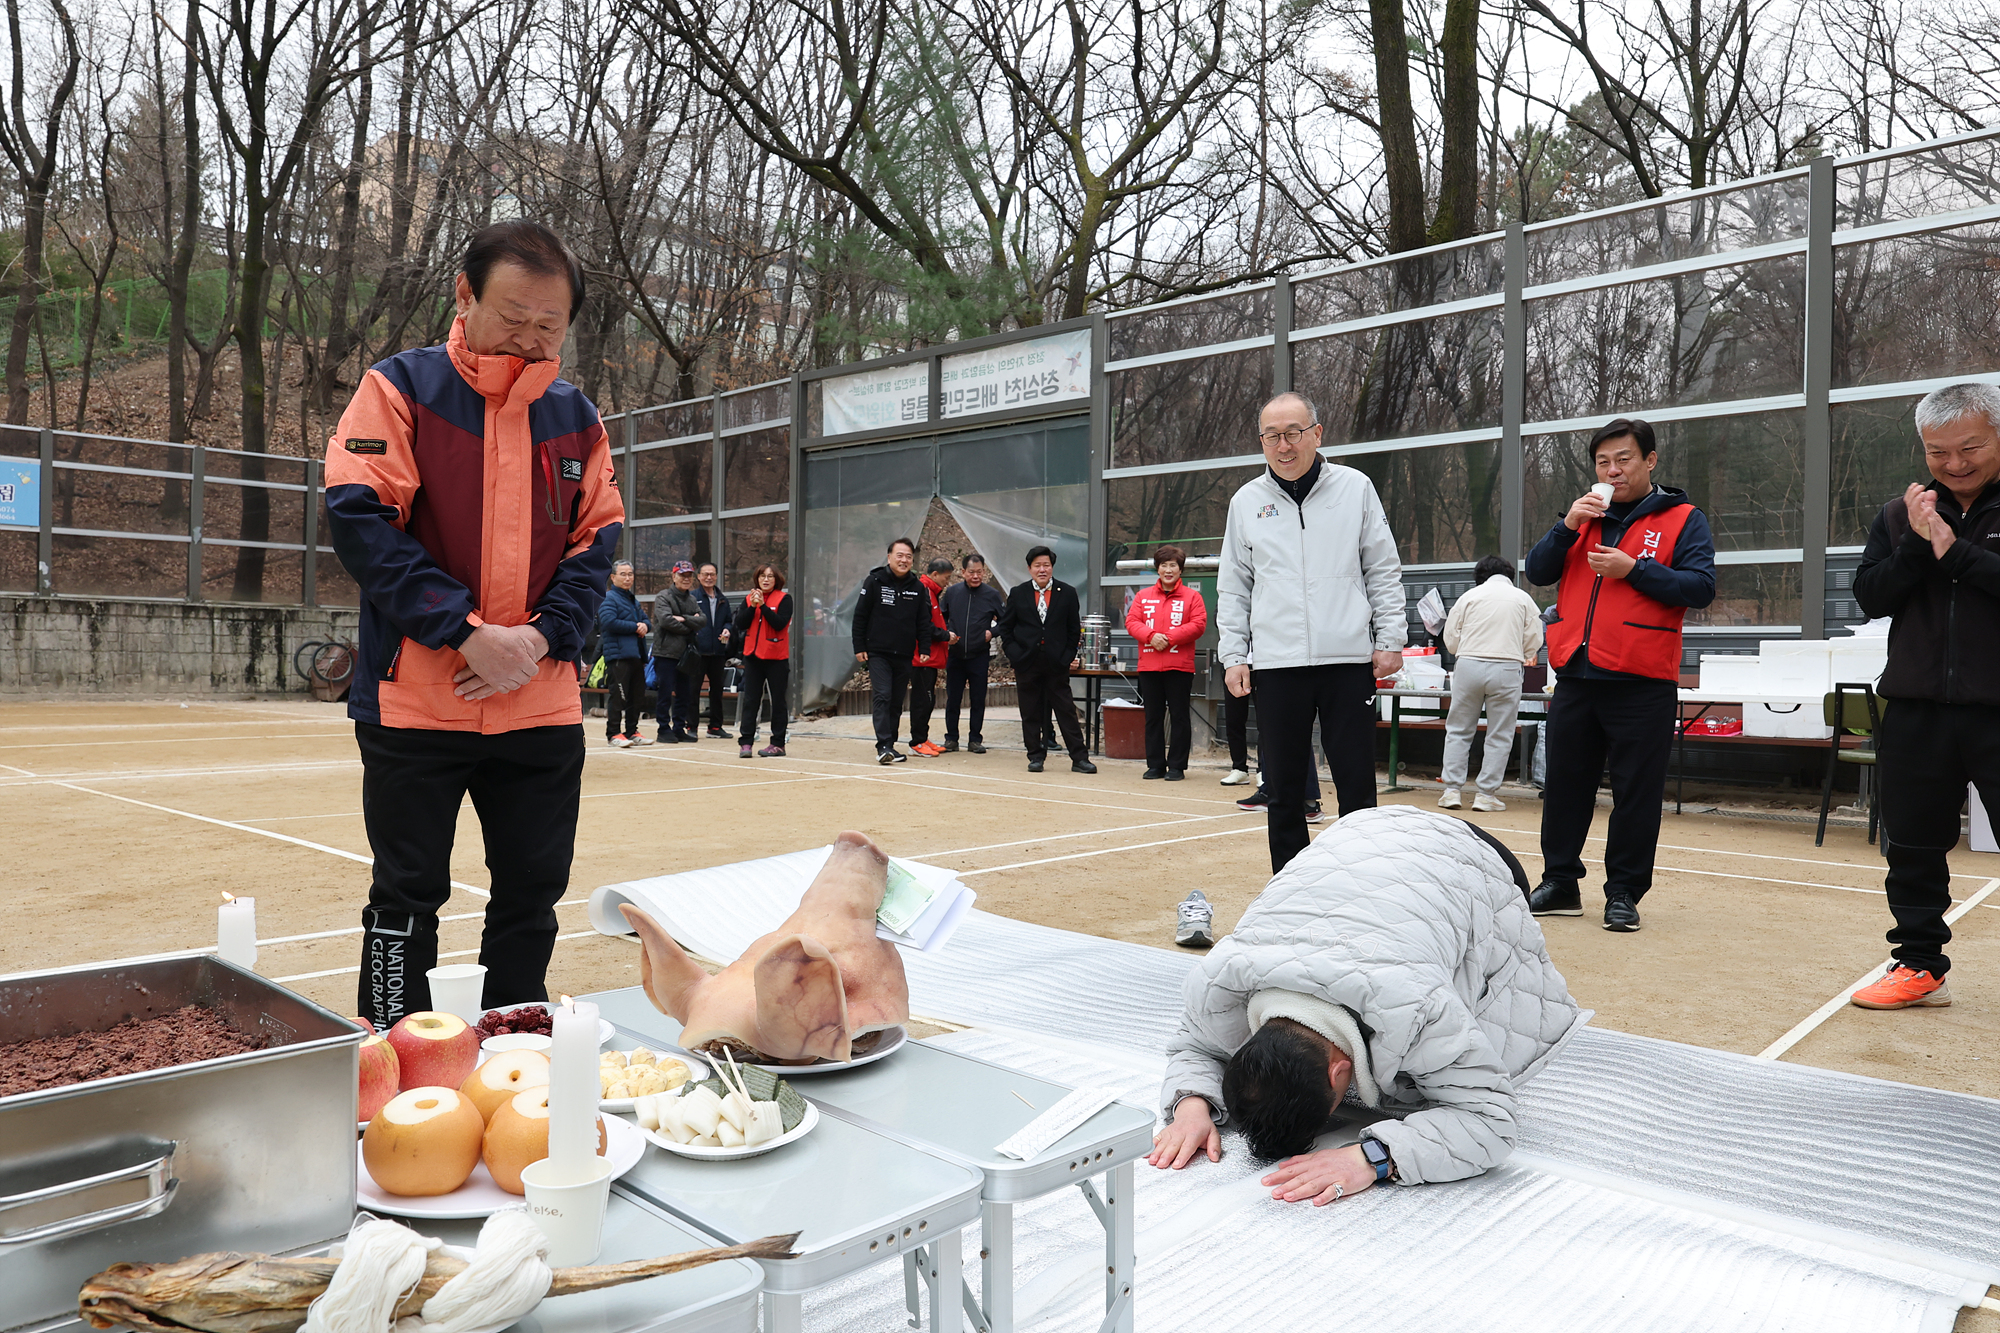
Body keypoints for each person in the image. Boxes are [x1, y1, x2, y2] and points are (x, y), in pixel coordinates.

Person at [324, 220, 622, 1028]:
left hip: (539, 704)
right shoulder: (399, 390)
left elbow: (597, 543)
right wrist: (465, 631)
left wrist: (538, 637)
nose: (530, 337)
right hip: (417, 703)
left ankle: (512, 1048)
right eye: (513, 316)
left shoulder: (577, 418)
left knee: (532, 893)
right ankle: (391, 1050)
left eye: (549, 324)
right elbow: (361, 520)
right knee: (406, 893)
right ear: (464, 293)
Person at [1147, 806, 1582, 1200]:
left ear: (1339, 1073)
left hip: (1478, 856)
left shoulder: (1416, 1007)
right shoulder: (1220, 982)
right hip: (1359, 826)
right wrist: (1191, 1106)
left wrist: (1371, 1159)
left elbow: (1490, 1121)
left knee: (1489, 998)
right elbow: (1196, 1045)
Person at [1525, 418, 1715, 933]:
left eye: (1624, 459)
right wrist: (1566, 525)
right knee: (1564, 786)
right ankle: (1560, 882)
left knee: (1636, 793)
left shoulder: (1683, 518)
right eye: (1603, 462)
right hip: (1576, 674)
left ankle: (1624, 893)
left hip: (1642, 680)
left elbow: (1700, 588)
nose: (1613, 470)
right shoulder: (1584, 516)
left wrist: (1635, 570)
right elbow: (1537, 571)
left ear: (1650, 461)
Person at [1846, 382, 2000, 1010]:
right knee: (1911, 845)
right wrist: (1915, 540)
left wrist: (1954, 553)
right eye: (1938, 452)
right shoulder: (1898, 513)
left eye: (1971, 447)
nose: (1954, 463)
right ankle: (1918, 964)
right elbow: (1871, 596)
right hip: (1915, 706)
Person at [1218, 392, 1405, 873]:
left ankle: (1363, 880)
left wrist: (1390, 639)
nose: (1283, 445)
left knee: (1356, 784)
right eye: (1272, 436)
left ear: (1317, 434)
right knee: (1282, 789)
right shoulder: (1246, 502)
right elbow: (1234, 587)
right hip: (1276, 664)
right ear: (1261, 441)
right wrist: (1234, 655)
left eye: (1293, 433)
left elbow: (1382, 568)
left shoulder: (1355, 488)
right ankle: (1290, 886)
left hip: (1347, 660)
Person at [1438, 555, 1543, 812]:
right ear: (1510, 575)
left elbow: (1451, 637)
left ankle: (1451, 790)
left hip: (1468, 664)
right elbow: (1534, 639)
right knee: (1500, 733)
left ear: (1479, 576)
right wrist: (1519, 652)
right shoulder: (1522, 599)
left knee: (1459, 729)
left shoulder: (1468, 597)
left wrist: (1462, 651)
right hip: (1507, 666)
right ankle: (1486, 794)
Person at [995, 545, 1097, 774]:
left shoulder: (1067, 592)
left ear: (1052, 567)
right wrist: (1015, 654)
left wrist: (1067, 656)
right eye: (1037, 565)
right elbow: (1006, 628)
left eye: (1046, 565)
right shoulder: (1018, 593)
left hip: (1056, 662)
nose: (1042, 570)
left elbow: (1074, 630)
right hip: (1026, 662)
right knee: (1030, 711)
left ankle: (1079, 758)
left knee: (1066, 711)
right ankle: (1035, 756)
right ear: (1029, 568)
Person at [1125, 545, 1207, 780]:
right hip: (1149, 665)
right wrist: (1151, 636)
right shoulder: (1143, 596)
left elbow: (1198, 624)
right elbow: (1132, 621)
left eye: (1173, 565)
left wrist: (1169, 638)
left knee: (1179, 716)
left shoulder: (1193, 597)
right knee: (1153, 716)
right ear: (1157, 569)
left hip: (1179, 666)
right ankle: (1155, 765)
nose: (1168, 570)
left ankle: (1177, 766)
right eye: (1164, 565)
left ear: (1180, 570)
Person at [851, 537, 933, 764]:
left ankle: (890, 745)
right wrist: (859, 646)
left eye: (908, 556)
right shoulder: (874, 581)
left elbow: (923, 621)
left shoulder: (917, 587)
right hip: (878, 652)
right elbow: (860, 615)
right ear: (889, 557)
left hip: (904, 654)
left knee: (896, 701)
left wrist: (924, 646)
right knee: (883, 695)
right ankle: (883, 745)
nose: (904, 560)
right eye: (900, 555)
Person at [940, 552, 1004, 753]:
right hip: (956, 654)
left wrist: (992, 632)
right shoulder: (952, 593)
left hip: (979, 655)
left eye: (979, 572)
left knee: (978, 699)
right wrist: (947, 633)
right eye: (971, 572)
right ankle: (951, 738)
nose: (975, 576)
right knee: (953, 698)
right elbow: (941, 617)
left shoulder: (992, 595)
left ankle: (975, 739)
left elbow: (1007, 621)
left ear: (984, 572)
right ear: (963, 572)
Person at [733, 563, 793, 758]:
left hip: (776, 658)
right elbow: (740, 623)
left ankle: (777, 743)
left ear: (776, 580)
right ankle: (746, 742)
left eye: (770, 576)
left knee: (778, 701)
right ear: (757, 579)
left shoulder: (784, 599)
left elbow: (779, 623)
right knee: (750, 700)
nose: (765, 580)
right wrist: (753, 606)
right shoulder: (749, 598)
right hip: (753, 657)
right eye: (762, 576)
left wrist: (763, 607)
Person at [596, 560, 652, 748]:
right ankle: (613, 733)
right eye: (623, 574)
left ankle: (632, 731)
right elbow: (608, 622)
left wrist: (645, 626)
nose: (628, 578)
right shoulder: (608, 598)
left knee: (637, 697)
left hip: (636, 655)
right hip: (618, 656)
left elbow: (646, 621)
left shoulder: (632, 600)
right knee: (618, 697)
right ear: (613, 577)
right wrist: (636, 626)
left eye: (630, 574)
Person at [650, 561, 706, 743]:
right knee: (665, 693)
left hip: (686, 655)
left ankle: (679, 727)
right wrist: (691, 625)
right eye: (682, 575)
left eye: (689, 575)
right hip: (665, 653)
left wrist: (683, 619)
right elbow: (666, 621)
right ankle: (663, 729)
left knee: (684, 694)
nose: (686, 579)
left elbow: (703, 620)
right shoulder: (663, 597)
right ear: (674, 576)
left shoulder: (692, 599)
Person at [907, 558, 953, 756]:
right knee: (922, 699)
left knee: (928, 699)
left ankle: (923, 737)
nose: (947, 582)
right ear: (935, 574)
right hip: (922, 657)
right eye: (946, 577)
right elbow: (924, 625)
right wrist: (946, 635)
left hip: (931, 657)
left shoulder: (932, 593)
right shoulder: (923, 591)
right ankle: (916, 741)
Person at [690, 563, 734, 739]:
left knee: (717, 691)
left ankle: (715, 726)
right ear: (699, 576)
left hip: (718, 652)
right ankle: (691, 727)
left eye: (712, 574)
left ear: (716, 576)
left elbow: (729, 620)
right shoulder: (693, 597)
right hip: (698, 652)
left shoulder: (723, 599)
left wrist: (727, 629)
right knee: (693, 690)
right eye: (705, 574)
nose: (709, 577)